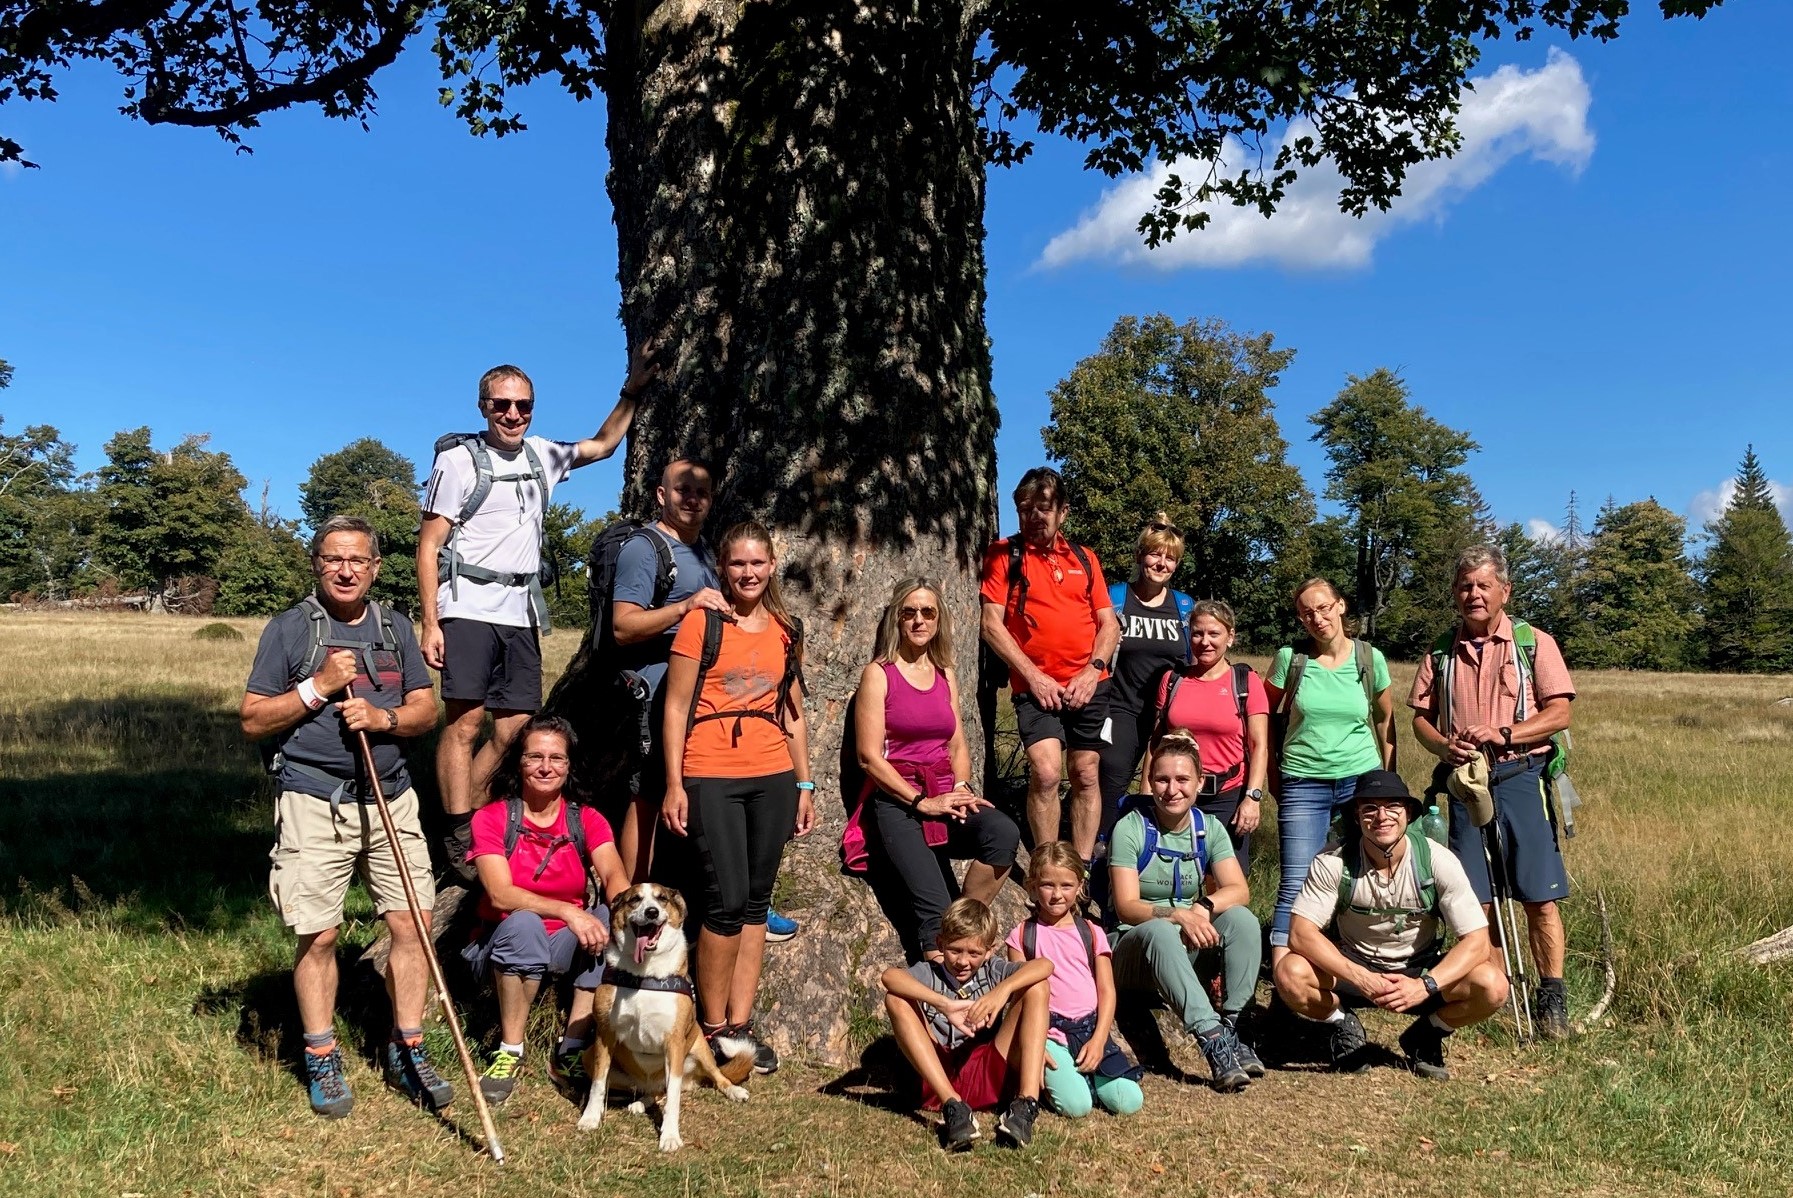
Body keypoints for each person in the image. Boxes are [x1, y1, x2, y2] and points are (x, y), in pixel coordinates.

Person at [240, 515, 446, 1118]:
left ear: (375, 568)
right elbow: (252, 719)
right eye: (334, 559)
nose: (346, 570)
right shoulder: (289, 629)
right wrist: (319, 687)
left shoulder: (395, 627)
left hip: (392, 796)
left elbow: (425, 710)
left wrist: (383, 720)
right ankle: (321, 1054)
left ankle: (408, 1048)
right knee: (320, 933)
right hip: (312, 798)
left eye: (357, 560)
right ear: (317, 564)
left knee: (413, 925)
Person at [420, 351, 649, 876]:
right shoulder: (458, 462)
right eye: (502, 404)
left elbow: (603, 445)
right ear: (483, 406)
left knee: (515, 729)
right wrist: (431, 622)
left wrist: (631, 391)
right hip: (467, 604)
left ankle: (475, 822)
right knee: (464, 723)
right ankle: (457, 834)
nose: (513, 414)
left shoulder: (542, 454)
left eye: (523, 405)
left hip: (520, 609)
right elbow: (429, 544)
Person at [661, 520, 815, 1075]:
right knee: (723, 901)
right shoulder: (701, 622)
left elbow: (793, 714)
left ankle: (740, 1024)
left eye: (757, 563)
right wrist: (674, 783)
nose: (748, 573)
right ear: (722, 568)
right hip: (710, 772)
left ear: (772, 565)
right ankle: (711, 1027)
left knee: (754, 902)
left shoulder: (786, 629)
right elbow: (675, 706)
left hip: (773, 775)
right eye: (738, 563)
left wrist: (804, 784)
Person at [1409, 544, 1576, 1038]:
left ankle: (1551, 997)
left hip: (1522, 776)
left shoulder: (1533, 644)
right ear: (1454, 593)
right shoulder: (1441, 652)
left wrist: (1505, 734)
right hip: (1466, 785)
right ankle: (1491, 991)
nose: (1474, 594)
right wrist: (1444, 747)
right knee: (1476, 897)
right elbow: (1420, 719)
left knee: (1538, 896)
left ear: (1505, 590)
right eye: (1465, 586)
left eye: (1484, 585)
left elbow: (1560, 713)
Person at [1273, 770, 1509, 1079]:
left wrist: (1425, 985)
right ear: (1356, 816)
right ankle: (1342, 1023)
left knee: (1493, 986)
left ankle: (1428, 1034)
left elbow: (1477, 942)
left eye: (1393, 806)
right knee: (1289, 973)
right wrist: (1362, 978)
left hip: (1419, 968)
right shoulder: (1333, 861)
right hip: (1353, 966)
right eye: (1370, 808)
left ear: (1408, 813)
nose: (1381, 816)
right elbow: (1300, 934)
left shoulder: (1438, 861)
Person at [464, 714, 631, 1104]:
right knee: (524, 923)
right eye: (535, 757)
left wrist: (629, 914)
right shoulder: (492, 818)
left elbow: (613, 875)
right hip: (501, 941)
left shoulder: (585, 819)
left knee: (609, 918)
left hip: (565, 945)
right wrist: (568, 911)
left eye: (557, 758)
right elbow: (501, 895)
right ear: (519, 762)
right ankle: (510, 1050)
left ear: (569, 766)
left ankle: (572, 1048)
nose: (545, 767)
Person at [855, 579, 1020, 963]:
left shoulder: (945, 672)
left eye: (927, 612)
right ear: (897, 619)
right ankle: (942, 965)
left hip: (946, 795)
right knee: (933, 909)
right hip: (899, 803)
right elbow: (869, 757)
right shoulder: (879, 674)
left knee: (1002, 833)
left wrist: (960, 785)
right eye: (909, 612)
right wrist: (921, 802)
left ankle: (963, 928)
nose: (919, 620)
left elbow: (957, 743)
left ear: (938, 619)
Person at [1107, 730, 1263, 1093]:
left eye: (1182, 779)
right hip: (1133, 952)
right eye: (1162, 779)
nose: (1172, 789)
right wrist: (1175, 916)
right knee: (1160, 930)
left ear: (1200, 782)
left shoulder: (1208, 829)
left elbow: (1239, 890)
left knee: (1241, 920)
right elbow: (1127, 907)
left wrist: (1203, 906)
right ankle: (1213, 1040)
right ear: (1150, 781)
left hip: (1185, 949)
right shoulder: (1130, 828)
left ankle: (1236, 1029)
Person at [979, 467, 1120, 862]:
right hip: (1035, 687)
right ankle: (1046, 867)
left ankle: (1080, 869)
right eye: (1025, 509)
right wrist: (1034, 676)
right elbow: (990, 625)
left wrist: (1092, 671)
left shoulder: (1084, 558)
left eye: (1043, 508)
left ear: (1063, 513)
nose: (1033, 517)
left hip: (1089, 684)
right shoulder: (1004, 555)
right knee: (1045, 773)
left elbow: (1109, 624)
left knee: (1086, 773)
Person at [1264, 577, 1394, 965]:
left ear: (1340, 606)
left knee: (1365, 873)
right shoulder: (1291, 659)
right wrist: (1272, 775)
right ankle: (1285, 969)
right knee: (1297, 879)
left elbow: (1385, 721)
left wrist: (1387, 783)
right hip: (1303, 781)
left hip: (1361, 782)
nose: (1317, 618)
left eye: (1323, 608)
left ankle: (1362, 958)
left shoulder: (1370, 659)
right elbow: (1263, 718)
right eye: (1307, 613)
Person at [881, 898, 1053, 1151]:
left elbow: (1045, 966)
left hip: (985, 1068)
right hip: (937, 1074)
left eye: (974, 953)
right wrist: (944, 1004)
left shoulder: (992, 970)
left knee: (1037, 986)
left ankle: (1025, 1105)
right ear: (940, 944)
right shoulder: (930, 972)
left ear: (989, 950)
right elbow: (889, 977)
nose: (963, 961)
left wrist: (1003, 990)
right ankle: (954, 1107)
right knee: (895, 998)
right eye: (955, 950)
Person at [1005, 843, 1144, 1119]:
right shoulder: (1021, 936)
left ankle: (1089, 1077)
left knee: (1129, 1101)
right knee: (1076, 1107)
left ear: (1080, 886)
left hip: (1090, 1030)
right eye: (1047, 885)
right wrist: (1034, 1048)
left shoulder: (1091, 932)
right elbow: (1019, 999)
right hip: (1049, 1034)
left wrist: (1100, 1038)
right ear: (1032, 887)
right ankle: (1068, 1082)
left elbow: (1106, 990)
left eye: (1066, 886)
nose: (1057, 895)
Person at [1146, 599, 1270, 873]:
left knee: (1225, 878)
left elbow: (1259, 746)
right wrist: (1146, 793)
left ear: (1230, 637)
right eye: (1197, 633)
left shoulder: (1245, 682)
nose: (1205, 642)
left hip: (1228, 795)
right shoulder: (1173, 680)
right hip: (1175, 793)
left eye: (1214, 633)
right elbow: (1156, 744)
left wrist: (1252, 798)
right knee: (1171, 872)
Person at [1095, 514, 1194, 843]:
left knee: (1164, 789)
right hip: (1120, 707)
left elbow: (1195, 661)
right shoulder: (1115, 598)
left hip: (1167, 715)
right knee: (1111, 781)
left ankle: (1150, 849)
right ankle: (1100, 849)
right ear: (1140, 555)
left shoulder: (1184, 607)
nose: (1162, 563)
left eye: (1170, 558)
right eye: (1155, 554)